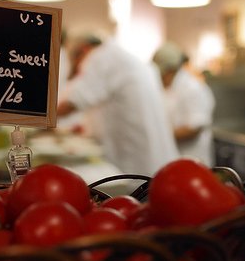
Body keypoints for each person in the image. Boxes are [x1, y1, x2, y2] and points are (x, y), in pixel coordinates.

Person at [57, 34, 179, 176]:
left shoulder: (99, 57)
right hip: (158, 161)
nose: (77, 71)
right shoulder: (121, 56)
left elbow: (72, 102)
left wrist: (41, 118)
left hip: (139, 166)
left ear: (84, 50)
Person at [152, 42, 216, 167]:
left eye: (162, 74)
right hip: (171, 159)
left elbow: (193, 129)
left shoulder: (193, 88)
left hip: (193, 161)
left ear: (172, 70)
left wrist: (158, 136)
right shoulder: (165, 87)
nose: (159, 77)